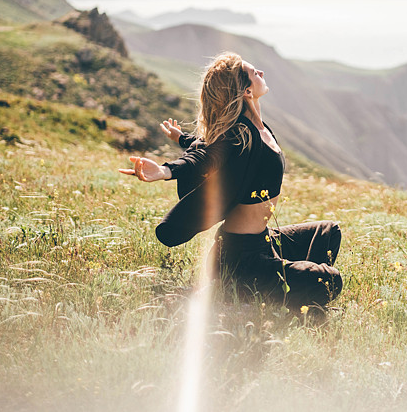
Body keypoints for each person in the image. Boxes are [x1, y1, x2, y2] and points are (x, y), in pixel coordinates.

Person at [119, 51, 343, 309]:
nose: (261, 73)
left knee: (328, 232)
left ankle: (284, 287)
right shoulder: (239, 133)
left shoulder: (257, 128)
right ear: (247, 91)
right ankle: (246, 291)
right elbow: (207, 154)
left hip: (264, 240)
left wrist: (182, 139)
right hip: (240, 256)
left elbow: (211, 146)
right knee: (329, 280)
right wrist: (166, 170)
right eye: (254, 72)